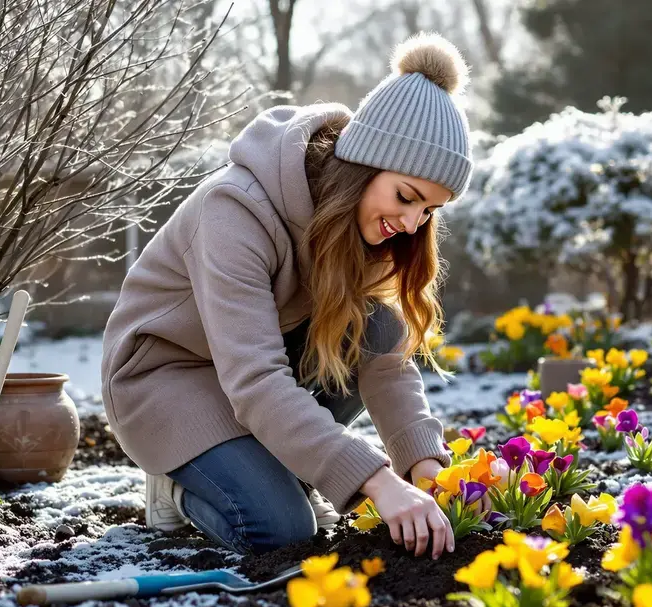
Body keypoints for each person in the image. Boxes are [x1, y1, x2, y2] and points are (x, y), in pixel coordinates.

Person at [100, 33, 474, 561]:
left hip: (249, 377)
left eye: (429, 211)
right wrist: (377, 482)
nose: (412, 223)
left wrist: (423, 465)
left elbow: (386, 364)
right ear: (363, 166)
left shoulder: (358, 227)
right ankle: (180, 486)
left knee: (378, 327)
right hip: (167, 381)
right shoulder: (236, 211)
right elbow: (256, 380)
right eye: (406, 197)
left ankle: (267, 468)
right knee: (281, 531)